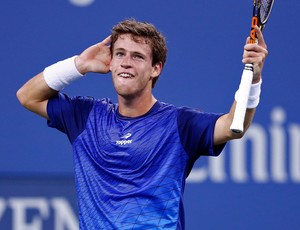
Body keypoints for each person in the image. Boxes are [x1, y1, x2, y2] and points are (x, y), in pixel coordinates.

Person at [16, 19, 268, 229]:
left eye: (137, 56)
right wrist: (79, 65)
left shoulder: (179, 123)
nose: (126, 62)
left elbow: (235, 125)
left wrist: (254, 77)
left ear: (155, 68)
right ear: (111, 63)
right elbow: (27, 95)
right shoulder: (84, 116)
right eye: (120, 54)